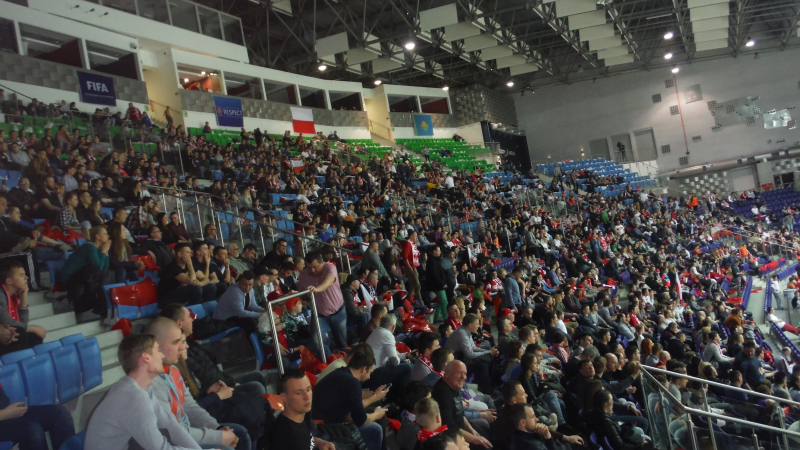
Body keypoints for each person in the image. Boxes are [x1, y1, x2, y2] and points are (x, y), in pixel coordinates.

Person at [146, 317, 250, 450]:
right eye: (176, 342)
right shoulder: (152, 384)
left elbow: (190, 408)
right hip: (173, 442)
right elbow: (174, 433)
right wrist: (219, 437)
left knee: (239, 432)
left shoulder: (173, 370)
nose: (184, 347)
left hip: (186, 431)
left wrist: (216, 428)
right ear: (157, 346)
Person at [85, 334, 202, 450]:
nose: (162, 355)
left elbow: (170, 424)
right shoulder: (134, 398)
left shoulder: (142, 388)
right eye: (157, 350)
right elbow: (161, 448)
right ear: (146, 358)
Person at [311, 344, 388, 450]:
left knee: (375, 414)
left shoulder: (342, 373)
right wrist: (376, 414)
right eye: (369, 372)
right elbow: (361, 420)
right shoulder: (352, 382)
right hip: (326, 428)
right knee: (376, 429)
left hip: (323, 422)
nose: (369, 376)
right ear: (363, 369)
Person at [431, 360, 492, 448]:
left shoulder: (454, 385)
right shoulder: (442, 393)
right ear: (447, 373)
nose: (464, 377)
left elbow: (460, 413)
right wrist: (474, 438)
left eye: (465, 373)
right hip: (452, 437)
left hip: (460, 429)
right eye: (459, 373)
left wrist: (472, 431)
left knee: (484, 428)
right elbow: (449, 426)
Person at [269, 369, 335, 450]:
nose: (307, 397)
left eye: (308, 389)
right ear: (284, 397)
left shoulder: (299, 415)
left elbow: (307, 439)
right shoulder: (289, 437)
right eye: (298, 393)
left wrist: (320, 443)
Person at [298, 251, 347, 355]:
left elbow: (328, 281)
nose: (312, 270)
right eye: (309, 267)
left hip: (338, 312)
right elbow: (302, 294)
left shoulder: (330, 267)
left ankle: (345, 362)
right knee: (317, 341)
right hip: (319, 315)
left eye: (315, 267)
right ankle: (329, 362)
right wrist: (305, 294)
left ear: (322, 263)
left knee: (342, 342)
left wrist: (316, 289)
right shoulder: (303, 274)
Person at [61, 225, 115, 317]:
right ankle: (102, 305)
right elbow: (98, 267)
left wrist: (105, 252)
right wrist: (103, 251)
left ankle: (103, 305)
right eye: (105, 234)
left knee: (109, 273)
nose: (108, 236)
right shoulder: (89, 246)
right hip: (71, 278)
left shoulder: (97, 248)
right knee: (107, 274)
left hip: (83, 276)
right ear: (97, 236)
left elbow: (105, 267)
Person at [444, 314, 499, 394]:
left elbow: (473, 347)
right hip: (457, 361)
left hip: (463, 356)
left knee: (487, 351)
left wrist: (489, 351)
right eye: (476, 324)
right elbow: (470, 354)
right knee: (482, 365)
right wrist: (489, 352)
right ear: (470, 325)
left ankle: (491, 381)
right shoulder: (462, 334)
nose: (478, 326)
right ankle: (487, 390)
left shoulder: (467, 331)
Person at [0, 261, 47, 353]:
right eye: (21, 275)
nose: (26, 277)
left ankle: (34, 363)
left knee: (33, 336)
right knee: (21, 333)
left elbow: (22, 323)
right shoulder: (1, 294)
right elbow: (6, 321)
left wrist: (23, 299)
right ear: (9, 281)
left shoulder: (12, 296)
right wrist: (33, 328)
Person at [365, 314, 413, 390]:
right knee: (407, 367)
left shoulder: (377, 331)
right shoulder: (387, 335)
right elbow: (394, 361)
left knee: (405, 364)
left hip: (369, 371)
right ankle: (404, 397)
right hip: (372, 374)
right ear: (393, 327)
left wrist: (407, 355)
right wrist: (403, 359)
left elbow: (393, 357)